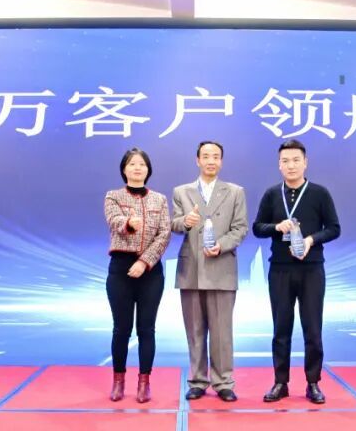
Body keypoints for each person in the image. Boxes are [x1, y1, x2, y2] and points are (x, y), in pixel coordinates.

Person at [252, 139, 340, 404]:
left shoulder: (319, 193)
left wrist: (311, 240)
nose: (291, 165)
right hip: (280, 270)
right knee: (281, 328)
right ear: (279, 165)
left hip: (312, 270)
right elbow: (257, 228)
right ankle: (280, 382)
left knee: (313, 328)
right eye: (285, 161)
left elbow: (334, 228)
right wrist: (276, 227)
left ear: (305, 162)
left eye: (296, 160)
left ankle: (313, 382)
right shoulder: (271, 194)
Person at [171, 141, 248, 402]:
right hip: (191, 268)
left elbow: (240, 228)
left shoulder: (235, 192)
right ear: (197, 160)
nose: (211, 161)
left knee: (222, 332)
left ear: (221, 161)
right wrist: (185, 221)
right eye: (206, 156)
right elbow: (174, 224)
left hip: (221, 267)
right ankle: (197, 380)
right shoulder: (181, 192)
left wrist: (222, 245)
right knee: (194, 331)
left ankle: (224, 382)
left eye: (216, 156)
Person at [103, 148, 171, 403]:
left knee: (147, 329)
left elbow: (164, 234)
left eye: (142, 164)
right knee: (121, 329)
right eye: (132, 164)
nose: (137, 168)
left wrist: (144, 261)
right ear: (124, 169)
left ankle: (144, 382)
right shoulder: (113, 196)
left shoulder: (159, 200)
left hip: (150, 271)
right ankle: (118, 380)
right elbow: (114, 221)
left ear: (148, 169)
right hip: (120, 269)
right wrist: (128, 223)